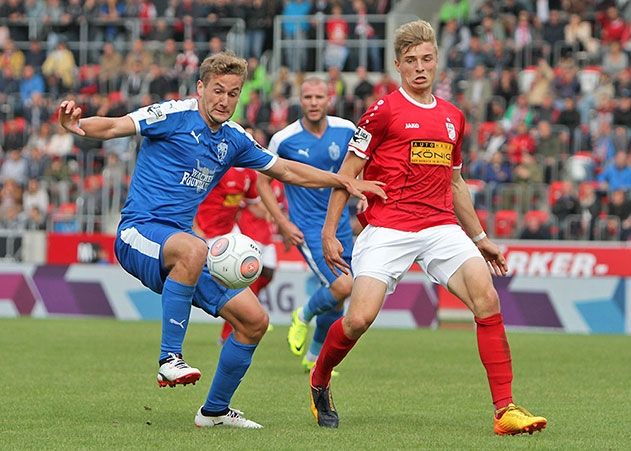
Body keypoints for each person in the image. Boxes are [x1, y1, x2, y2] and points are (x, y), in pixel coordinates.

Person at [57, 52, 386, 429]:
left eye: (233, 93)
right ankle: (169, 360)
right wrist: (78, 125)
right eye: (217, 91)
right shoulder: (172, 115)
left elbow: (286, 170)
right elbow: (116, 126)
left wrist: (343, 180)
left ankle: (214, 411)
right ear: (200, 88)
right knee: (194, 247)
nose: (224, 100)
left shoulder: (234, 140)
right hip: (139, 234)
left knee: (254, 320)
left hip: (182, 247)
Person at [309, 20, 547, 435]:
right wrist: (330, 233)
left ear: (436, 60)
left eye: (427, 59)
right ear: (399, 65)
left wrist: (480, 237)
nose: (420, 68)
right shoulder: (383, 112)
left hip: (440, 226)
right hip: (388, 226)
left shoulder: (453, 117)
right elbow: (347, 174)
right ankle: (320, 379)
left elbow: (455, 183)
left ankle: (505, 410)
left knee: (486, 299)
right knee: (359, 319)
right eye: (411, 61)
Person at [257, 76, 357, 374]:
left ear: (329, 99)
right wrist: (283, 222)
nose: (313, 103)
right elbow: (262, 182)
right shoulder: (284, 139)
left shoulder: (347, 130)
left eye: (319, 97)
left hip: (340, 225)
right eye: (308, 98)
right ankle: (303, 314)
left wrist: (364, 197)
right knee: (342, 285)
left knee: (339, 298)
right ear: (300, 101)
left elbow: (364, 164)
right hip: (309, 228)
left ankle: (313, 357)